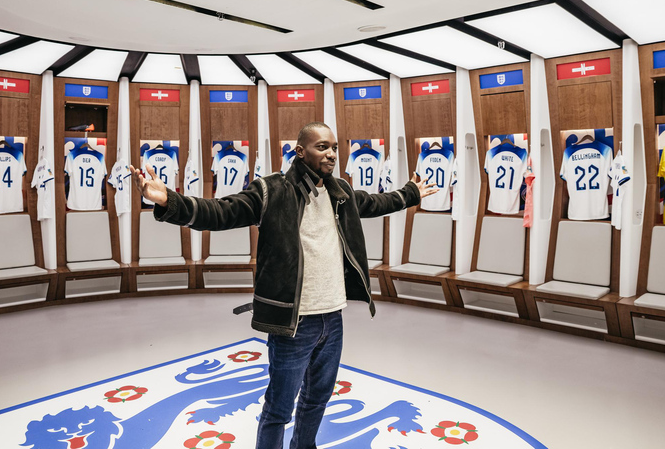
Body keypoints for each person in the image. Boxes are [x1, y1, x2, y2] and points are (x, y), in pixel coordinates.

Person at [130, 122, 437, 449]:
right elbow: (221, 212)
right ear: (300, 151)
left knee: (317, 400)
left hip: (333, 318)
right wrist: (169, 202)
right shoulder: (271, 190)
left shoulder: (340, 192)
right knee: (278, 408)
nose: (331, 153)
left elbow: (375, 203)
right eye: (322, 147)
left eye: (334, 146)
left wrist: (410, 194)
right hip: (293, 323)